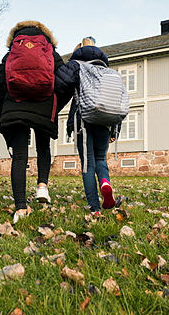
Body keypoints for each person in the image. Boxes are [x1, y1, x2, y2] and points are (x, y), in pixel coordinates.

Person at [0, 21, 69, 224]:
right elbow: (66, 81)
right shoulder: (50, 53)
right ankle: (42, 187)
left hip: (14, 106)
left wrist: (3, 114)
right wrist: (55, 105)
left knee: (19, 157)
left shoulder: (10, 54)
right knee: (43, 147)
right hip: (43, 106)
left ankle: (20, 207)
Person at [56, 40, 119, 216]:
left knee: (87, 165)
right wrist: (115, 129)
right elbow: (115, 101)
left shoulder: (76, 66)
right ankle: (105, 182)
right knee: (101, 159)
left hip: (83, 120)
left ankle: (94, 207)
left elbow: (59, 85)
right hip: (106, 121)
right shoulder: (107, 71)